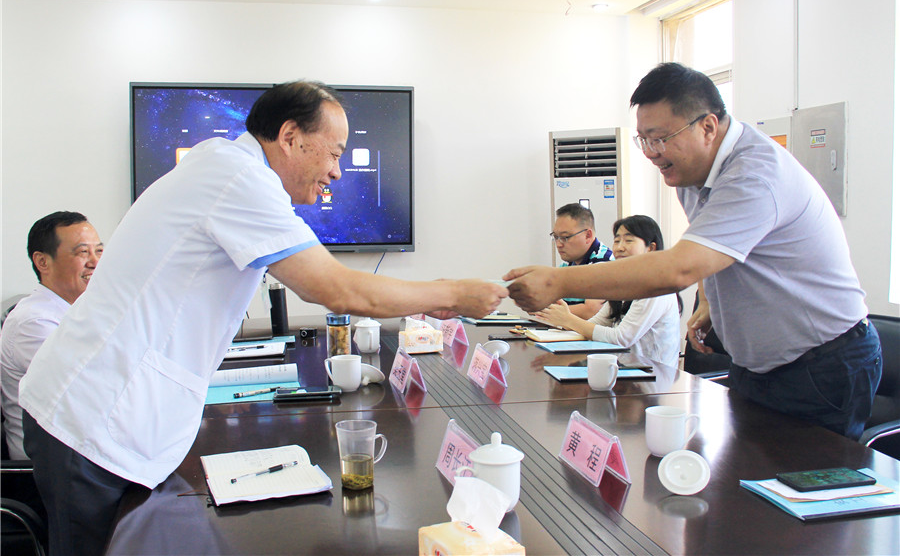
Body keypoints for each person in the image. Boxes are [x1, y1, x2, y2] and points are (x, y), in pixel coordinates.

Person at [19, 81, 508, 556]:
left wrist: (440, 295)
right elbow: (334, 288)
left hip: (113, 414)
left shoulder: (228, 166)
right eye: (334, 153)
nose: (338, 172)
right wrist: (454, 293)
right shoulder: (238, 179)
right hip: (94, 421)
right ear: (290, 136)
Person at [506, 62, 881, 442]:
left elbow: (678, 269)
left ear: (708, 127)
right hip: (758, 364)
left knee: (801, 473)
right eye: (643, 140)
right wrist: (710, 299)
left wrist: (558, 281)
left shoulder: (754, 175)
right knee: (747, 471)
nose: (651, 153)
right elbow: (711, 246)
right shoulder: (690, 171)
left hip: (821, 361)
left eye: (659, 138)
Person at [1, 211, 103, 460]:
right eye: (83, 252)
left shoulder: (81, 311)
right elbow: (89, 395)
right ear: (43, 262)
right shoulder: (33, 322)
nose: (95, 262)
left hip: (80, 453)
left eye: (99, 251)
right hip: (47, 468)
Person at [533, 215, 681, 368]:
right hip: (623, 370)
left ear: (651, 248)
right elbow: (596, 324)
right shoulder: (625, 283)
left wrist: (568, 319)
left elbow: (621, 339)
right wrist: (559, 318)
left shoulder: (657, 288)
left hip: (654, 375)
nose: (619, 247)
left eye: (628, 240)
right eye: (617, 241)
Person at [551, 203, 612, 318]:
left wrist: (543, 310)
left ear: (588, 235)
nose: (558, 244)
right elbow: (552, 299)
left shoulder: (602, 262)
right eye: (556, 237)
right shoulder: (569, 263)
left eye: (565, 237)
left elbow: (591, 311)